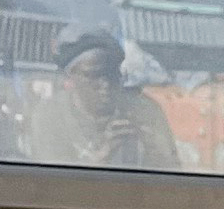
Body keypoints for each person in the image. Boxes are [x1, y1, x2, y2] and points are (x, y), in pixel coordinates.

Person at [28, 31, 180, 171]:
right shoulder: (50, 116)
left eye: (112, 74)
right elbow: (53, 186)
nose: (105, 84)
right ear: (71, 77)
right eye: (93, 75)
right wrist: (104, 154)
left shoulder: (144, 110)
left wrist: (149, 146)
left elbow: (172, 173)